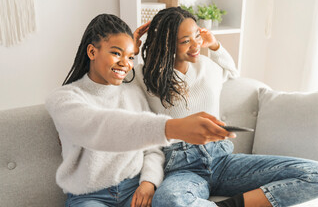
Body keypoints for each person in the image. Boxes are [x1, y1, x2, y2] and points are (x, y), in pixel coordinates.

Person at [133, 7, 318, 207]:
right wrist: (132, 50)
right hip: (182, 168)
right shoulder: (145, 77)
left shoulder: (208, 67)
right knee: (166, 201)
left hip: (222, 160)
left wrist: (215, 45)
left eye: (197, 36)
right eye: (186, 41)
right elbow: (117, 86)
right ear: (166, 45)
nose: (196, 45)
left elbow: (231, 71)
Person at [45, 14, 235, 207]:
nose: (125, 63)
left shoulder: (133, 92)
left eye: (130, 57)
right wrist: (172, 127)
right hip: (90, 197)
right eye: (116, 53)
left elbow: (152, 149)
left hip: (134, 192)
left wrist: (148, 182)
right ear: (92, 52)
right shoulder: (63, 99)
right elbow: (102, 127)